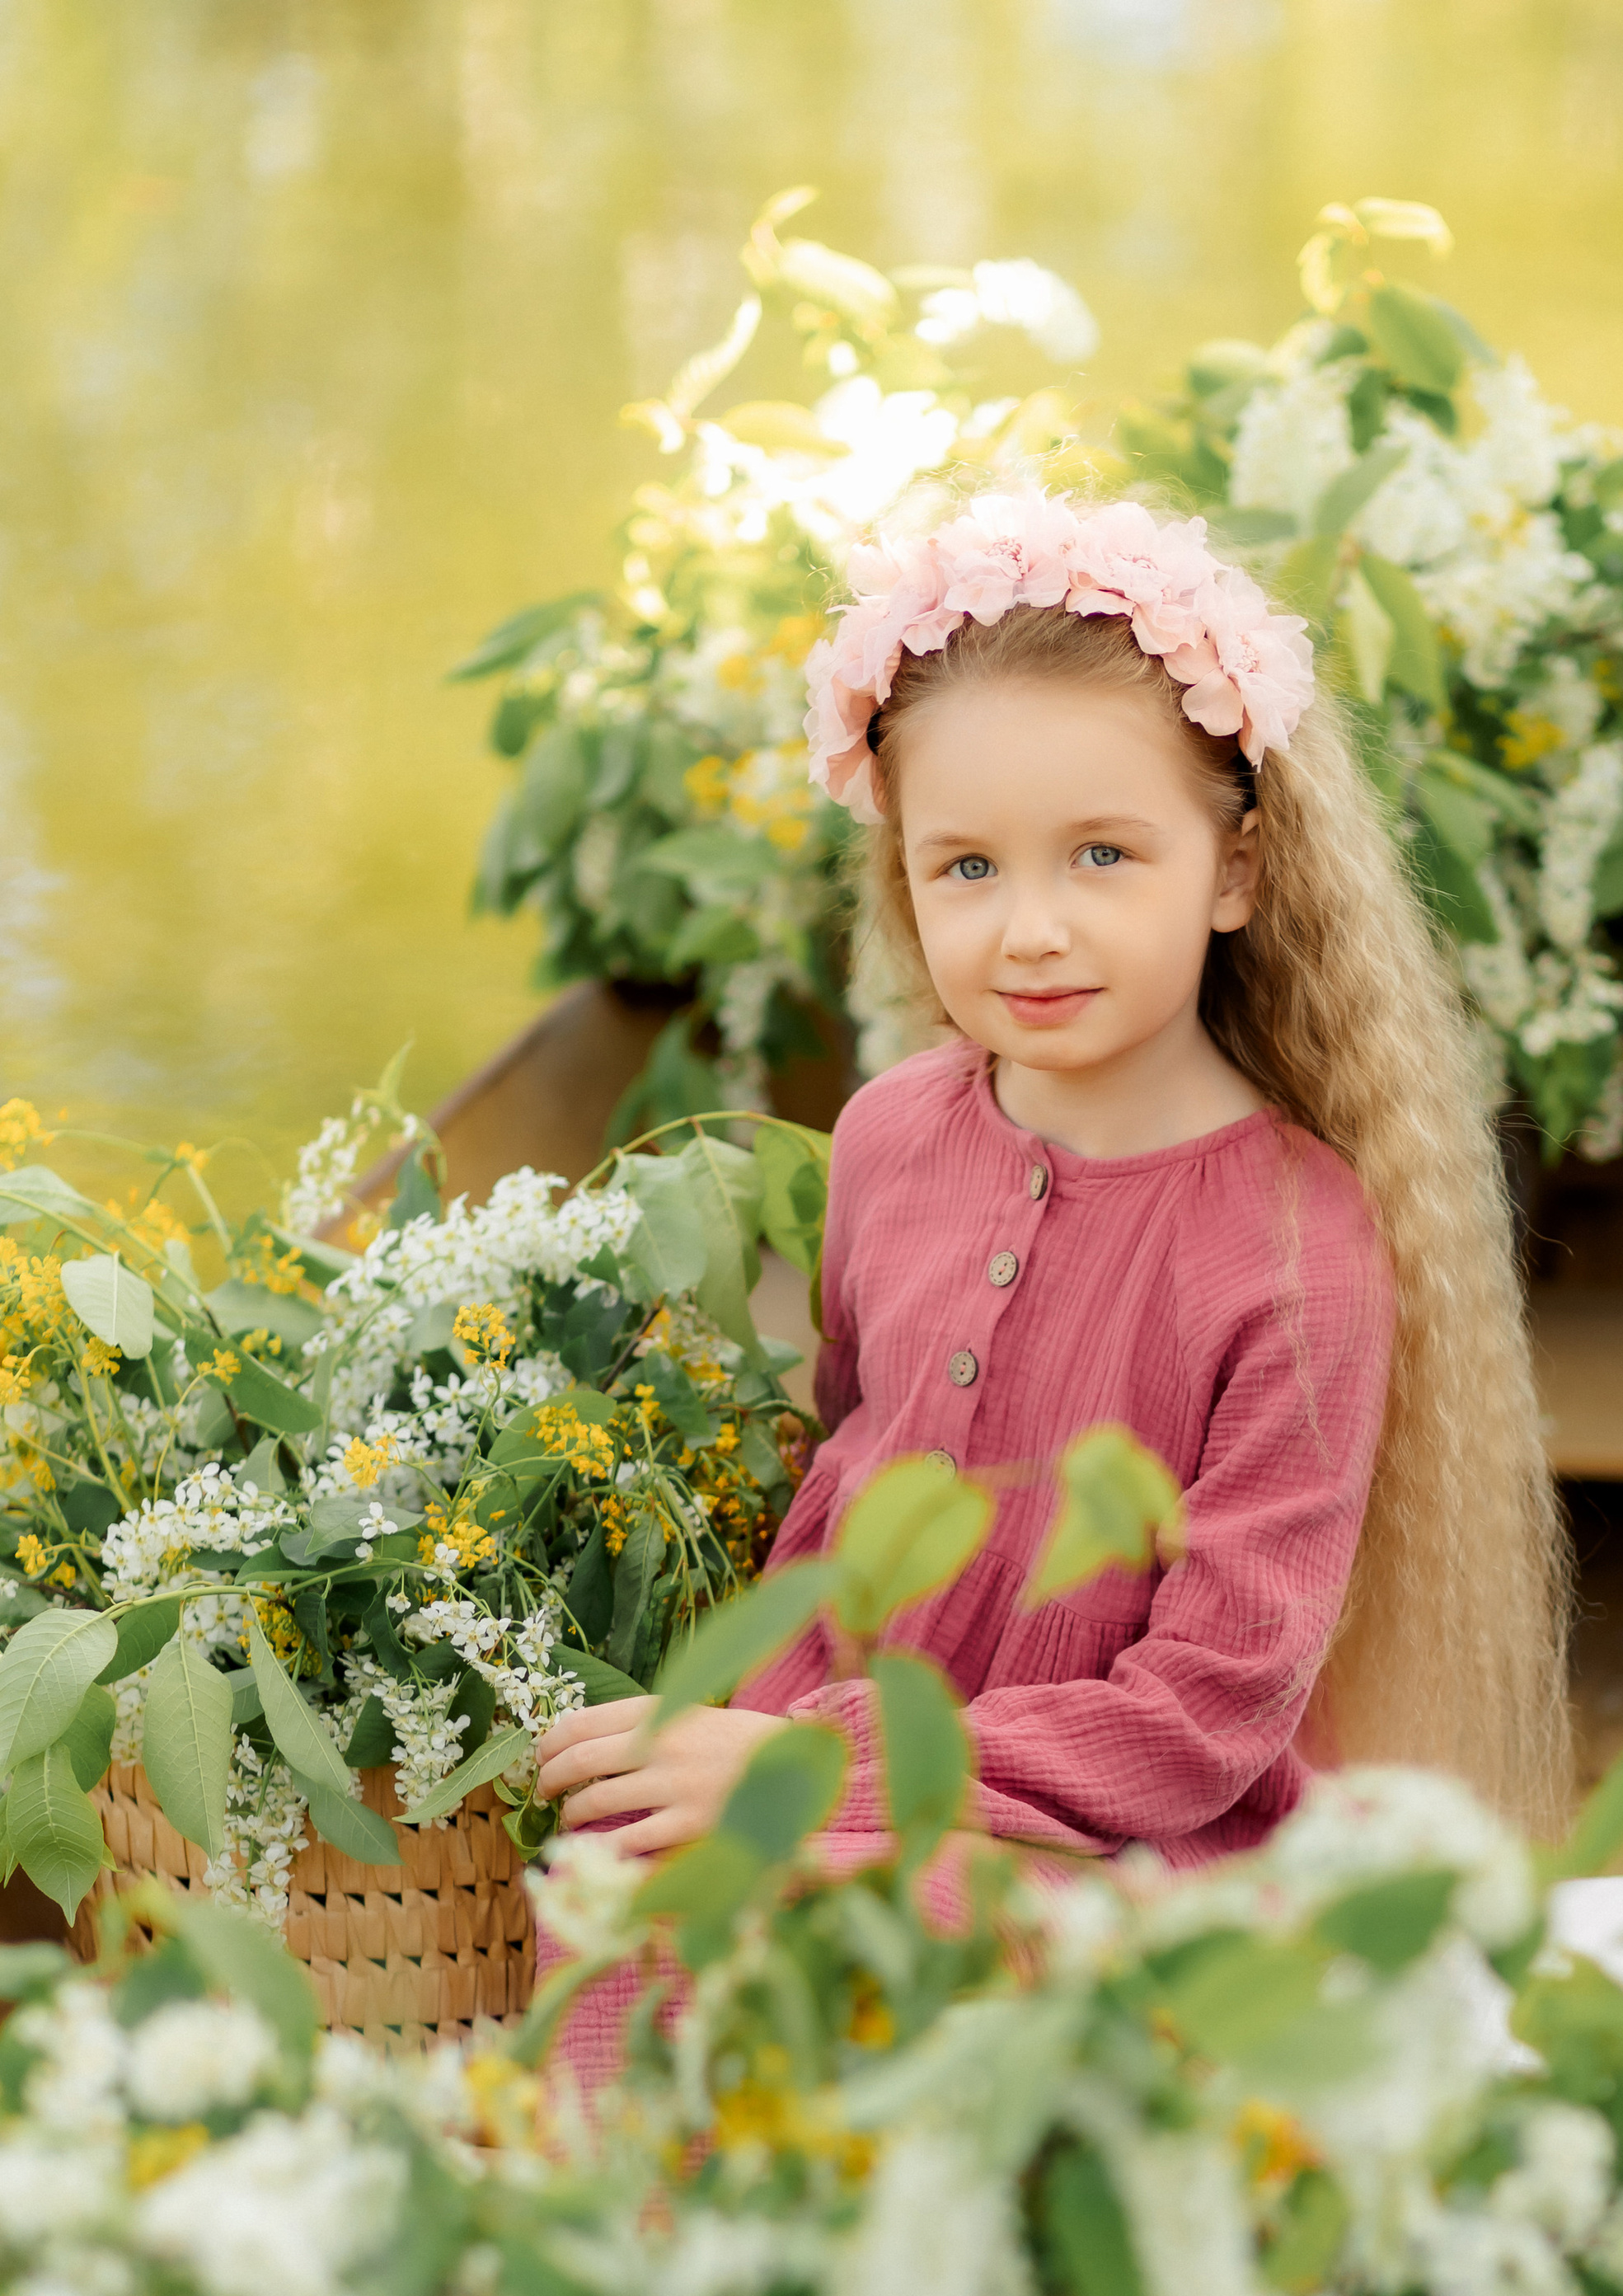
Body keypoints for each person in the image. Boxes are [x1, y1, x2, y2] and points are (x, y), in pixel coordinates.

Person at [536, 489, 1569, 2061]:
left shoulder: (1299, 1251)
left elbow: (1204, 1720)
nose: (1031, 931)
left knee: (859, 1953)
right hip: (822, 1757)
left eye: (1102, 854)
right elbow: (844, 1455)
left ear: (1235, 868)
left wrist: (809, 1766)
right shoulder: (887, 1136)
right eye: (966, 868)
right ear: (902, 876)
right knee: (611, 1891)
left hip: (1117, 1839)